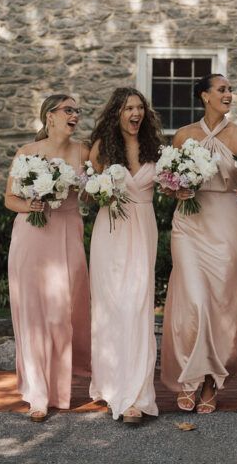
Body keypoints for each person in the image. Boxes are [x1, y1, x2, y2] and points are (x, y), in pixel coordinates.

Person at [160, 73, 237, 414]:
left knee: (221, 302)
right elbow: (166, 182)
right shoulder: (184, 135)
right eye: (222, 89)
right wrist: (177, 188)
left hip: (226, 221)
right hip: (189, 221)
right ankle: (190, 379)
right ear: (204, 96)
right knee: (194, 300)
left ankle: (213, 380)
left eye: (230, 89)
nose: (229, 94)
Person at [6, 94, 90, 421]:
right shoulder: (26, 153)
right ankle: (38, 395)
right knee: (31, 314)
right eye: (68, 110)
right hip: (31, 235)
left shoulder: (83, 151)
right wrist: (33, 205)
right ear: (50, 115)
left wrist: (90, 189)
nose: (75, 115)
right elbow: (11, 198)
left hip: (67, 231)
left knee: (60, 313)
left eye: (77, 111)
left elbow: (91, 188)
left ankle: (59, 389)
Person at [89, 87, 161, 423]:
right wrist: (100, 192)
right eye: (128, 108)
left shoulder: (154, 149)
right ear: (116, 113)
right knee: (112, 307)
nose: (136, 114)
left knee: (138, 306)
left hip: (143, 228)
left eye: (140, 108)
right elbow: (89, 192)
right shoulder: (103, 148)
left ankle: (136, 396)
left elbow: (172, 186)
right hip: (112, 231)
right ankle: (111, 385)